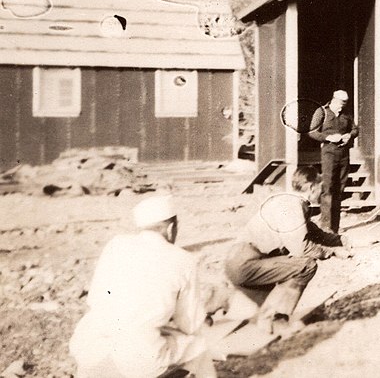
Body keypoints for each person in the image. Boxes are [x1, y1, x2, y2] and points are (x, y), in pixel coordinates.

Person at [69, 195, 217, 378]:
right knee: (198, 346)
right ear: (171, 229)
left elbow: (95, 299)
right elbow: (190, 324)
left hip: (89, 348)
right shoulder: (183, 259)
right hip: (136, 361)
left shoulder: (116, 244)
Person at [224, 166, 352, 335]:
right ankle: (278, 318)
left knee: (287, 264)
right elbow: (301, 248)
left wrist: (343, 241)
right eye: (319, 187)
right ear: (313, 187)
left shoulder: (291, 201)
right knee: (305, 266)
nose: (321, 192)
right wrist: (333, 252)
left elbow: (315, 233)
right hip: (245, 265)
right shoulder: (291, 206)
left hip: (243, 262)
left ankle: (262, 316)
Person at [308, 89, 359, 233]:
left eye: (345, 104)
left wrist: (350, 135)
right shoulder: (321, 113)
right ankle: (326, 226)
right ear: (334, 100)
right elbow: (312, 132)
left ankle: (335, 227)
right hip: (329, 153)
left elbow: (355, 129)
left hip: (344, 154)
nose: (342, 106)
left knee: (339, 189)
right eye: (340, 103)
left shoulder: (346, 114)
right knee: (328, 188)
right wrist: (328, 138)